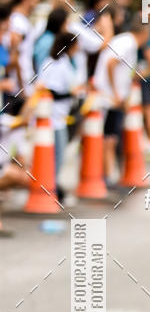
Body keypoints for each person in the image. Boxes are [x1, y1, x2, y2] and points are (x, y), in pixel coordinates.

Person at [93, 14, 150, 187]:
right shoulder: (128, 43)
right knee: (109, 138)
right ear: (144, 33)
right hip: (108, 98)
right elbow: (111, 63)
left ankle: (107, 175)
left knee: (110, 137)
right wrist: (116, 92)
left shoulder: (124, 41)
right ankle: (106, 176)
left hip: (110, 96)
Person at [38, 31, 83, 204]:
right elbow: (50, 92)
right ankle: (52, 188)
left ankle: (53, 187)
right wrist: (72, 93)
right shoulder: (57, 64)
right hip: (53, 117)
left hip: (58, 116)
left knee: (57, 155)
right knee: (57, 155)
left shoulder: (59, 62)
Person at [6, 0, 40, 97]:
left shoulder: (21, 21)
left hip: (24, 79)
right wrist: (21, 86)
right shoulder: (17, 21)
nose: (37, 3)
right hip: (18, 83)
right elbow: (14, 56)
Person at [33, 7, 68, 73]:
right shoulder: (48, 42)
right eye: (66, 23)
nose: (67, 27)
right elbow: (42, 66)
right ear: (60, 24)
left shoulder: (47, 38)